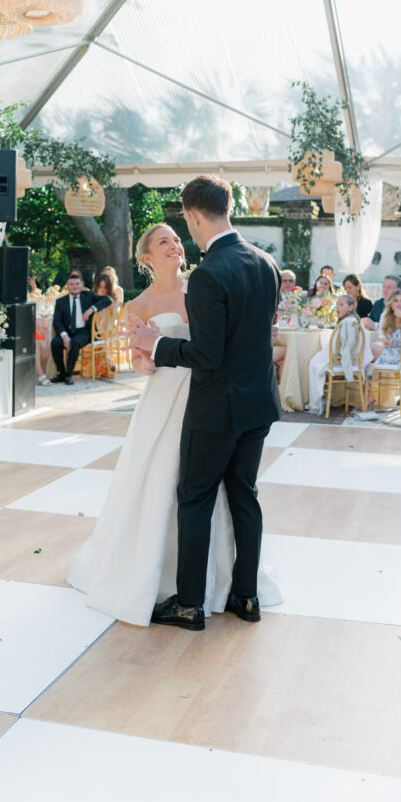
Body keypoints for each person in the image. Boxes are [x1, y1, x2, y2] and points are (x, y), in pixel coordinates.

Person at [68, 216, 283, 627]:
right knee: (168, 483)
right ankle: (181, 582)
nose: (175, 246)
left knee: (205, 493)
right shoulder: (139, 304)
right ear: (146, 257)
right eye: (163, 242)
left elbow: (213, 347)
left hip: (210, 398)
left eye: (176, 240)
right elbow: (135, 358)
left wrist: (160, 343)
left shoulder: (203, 284)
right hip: (167, 398)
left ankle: (199, 595)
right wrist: (145, 361)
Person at [120, 174, 283, 631]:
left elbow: (206, 355)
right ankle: (246, 597)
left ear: (192, 216)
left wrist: (156, 344)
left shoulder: (211, 272)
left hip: (215, 409)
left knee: (194, 499)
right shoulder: (266, 262)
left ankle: (190, 604)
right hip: (258, 405)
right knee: (245, 497)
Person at [306, 294, 370, 414]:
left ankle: (316, 403)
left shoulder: (346, 323)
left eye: (341, 304)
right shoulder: (356, 322)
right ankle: (321, 400)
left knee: (314, 363)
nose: (337, 307)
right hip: (355, 361)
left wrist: (316, 358)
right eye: (337, 304)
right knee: (316, 361)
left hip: (345, 361)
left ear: (351, 307)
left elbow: (336, 348)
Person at [50, 271, 111, 385]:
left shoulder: (89, 296)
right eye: (71, 284)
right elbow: (57, 322)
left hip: (84, 331)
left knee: (75, 342)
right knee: (55, 343)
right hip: (67, 332)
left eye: (77, 284)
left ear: (82, 284)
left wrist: (91, 309)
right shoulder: (60, 302)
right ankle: (61, 374)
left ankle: (68, 375)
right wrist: (64, 336)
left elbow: (107, 300)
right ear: (67, 286)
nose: (75, 286)